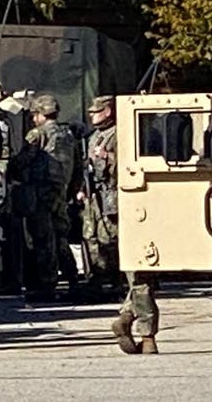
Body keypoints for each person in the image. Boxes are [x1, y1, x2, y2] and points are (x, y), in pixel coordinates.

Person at [8, 94, 79, 301]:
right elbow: (78, 166)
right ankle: (72, 278)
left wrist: (11, 170)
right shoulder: (68, 134)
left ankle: (47, 284)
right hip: (61, 193)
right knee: (61, 237)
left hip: (40, 194)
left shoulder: (37, 134)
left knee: (43, 238)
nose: (33, 119)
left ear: (40, 114)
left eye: (34, 115)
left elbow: (23, 160)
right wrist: (72, 190)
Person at [78, 96, 122, 297]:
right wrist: (82, 188)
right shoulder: (94, 136)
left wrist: (107, 156)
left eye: (96, 112)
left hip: (111, 192)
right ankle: (96, 277)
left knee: (110, 237)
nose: (92, 115)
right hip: (93, 193)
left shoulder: (119, 134)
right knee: (90, 236)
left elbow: (127, 163)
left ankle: (117, 280)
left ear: (108, 111)